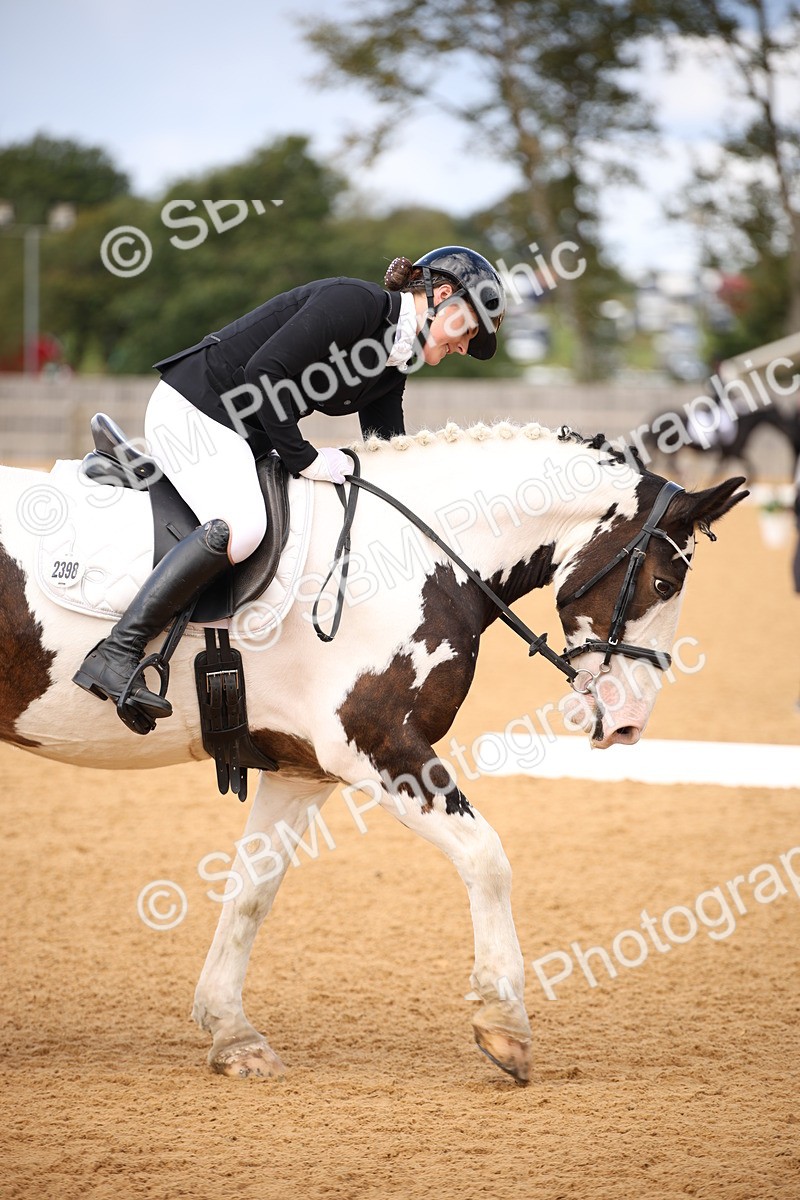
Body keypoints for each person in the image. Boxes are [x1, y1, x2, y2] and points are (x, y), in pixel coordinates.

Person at [72, 246, 506, 727]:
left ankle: (146, 479)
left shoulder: (393, 360)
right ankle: (117, 652)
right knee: (244, 529)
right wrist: (305, 458)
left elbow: (387, 443)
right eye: (467, 329)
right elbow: (264, 373)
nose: (465, 346)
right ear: (442, 296)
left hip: (239, 436)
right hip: (196, 411)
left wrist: (429, 506)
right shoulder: (354, 303)